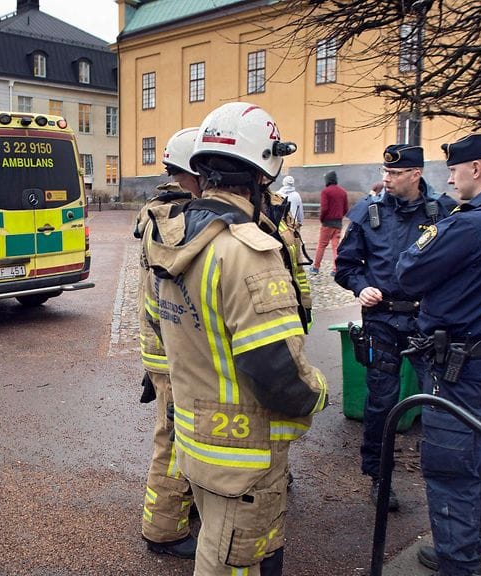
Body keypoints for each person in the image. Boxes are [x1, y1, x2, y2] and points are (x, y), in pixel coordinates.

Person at [141, 102, 328, 576]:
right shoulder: (247, 251)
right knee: (234, 560)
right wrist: (318, 393)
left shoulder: (173, 240)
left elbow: (161, 326)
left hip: (197, 439)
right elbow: (277, 373)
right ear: (262, 174)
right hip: (243, 454)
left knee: (214, 541)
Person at [395, 133, 481, 576]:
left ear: (476, 168)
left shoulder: (471, 224)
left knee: (450, 467)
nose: (451, 180)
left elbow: (408, 271)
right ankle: (473, 546)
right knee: (480, 457)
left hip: (457, 368)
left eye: (454, 171)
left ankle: (459, 563)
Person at [334, 144, 457, 511]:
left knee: (437, 399)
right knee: (382, 401)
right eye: (384, 172)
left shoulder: (443, 212)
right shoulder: (368, 213)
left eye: (395, 173)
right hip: (382, 320)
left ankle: (443, 479)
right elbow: (345, 266)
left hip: (427, 321)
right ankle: (380, 476)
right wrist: (361, 287)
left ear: (416, 174)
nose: (386, 179)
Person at [133, 126, 201, 559]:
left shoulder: (164, 212)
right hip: (172, 354)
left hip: (164, 349)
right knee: (174, 439)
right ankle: (164, 531)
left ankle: (181, 508)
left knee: (176, 435)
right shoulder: (177, 219)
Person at [311, 171, 348, 274]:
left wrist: (322, 219)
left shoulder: (326, 192)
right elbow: (345, 209)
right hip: (338, 223)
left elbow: (324, 208)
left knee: (321, 245)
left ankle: (316, 267)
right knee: (335, 247)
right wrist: (340, 216)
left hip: (327, 223)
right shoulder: (343, 192)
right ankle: (336, 269)